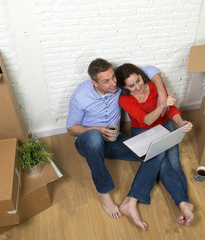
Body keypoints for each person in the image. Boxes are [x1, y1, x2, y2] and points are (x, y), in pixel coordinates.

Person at [66, 58, 167, 221]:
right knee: (93, 138)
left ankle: (131, 200)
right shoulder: (80, 95)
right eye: (106, 81)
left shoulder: (117, 84)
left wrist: (162, 95)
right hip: (88, 142)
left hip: (114, 140)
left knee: (155, 149)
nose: (113, 83)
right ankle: (103, 192)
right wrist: (97, 129)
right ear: (94, 83)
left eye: (113, 77)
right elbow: (71, 129)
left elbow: (150, 69)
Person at [115, 63, 195, 228]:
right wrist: (162, 104)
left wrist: (181, 122)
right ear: (124, 87)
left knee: (174, 162)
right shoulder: (124, 100)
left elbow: (171, 109)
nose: (138, 86)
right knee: (164, 164)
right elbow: (147, 120)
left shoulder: (153, 86)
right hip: (143, 131)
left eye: (138, 80)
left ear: (141, 75)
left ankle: (184, 203)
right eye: (131, 85)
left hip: (165, 124)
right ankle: (181, 202)